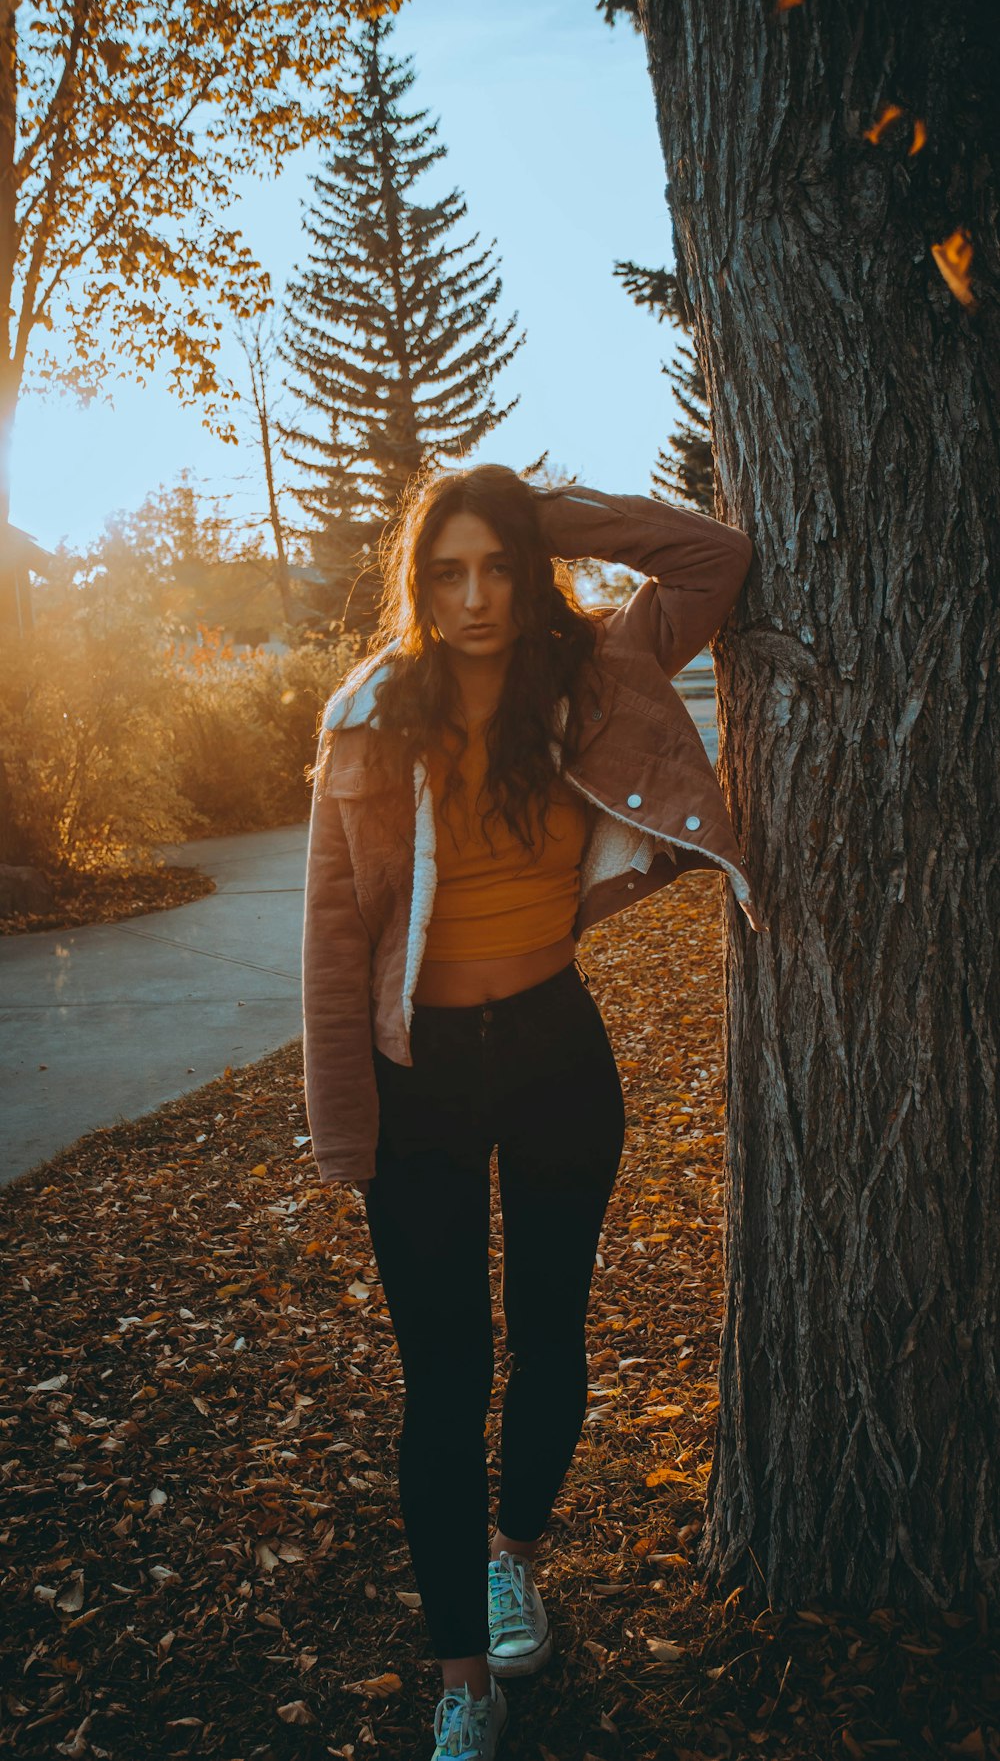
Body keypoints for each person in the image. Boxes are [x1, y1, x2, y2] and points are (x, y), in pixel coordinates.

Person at [301, 464, 760, 1759]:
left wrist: (538, 508)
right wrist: (346, 1118)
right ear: (416, 580)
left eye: (498, 563)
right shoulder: (372, 716)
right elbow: (337, 934)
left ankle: (514, 1557)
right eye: (446, 569)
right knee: (440, 1380)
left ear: (530, 563)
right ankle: (463, 1678)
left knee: (550, 1337)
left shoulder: (595, 672)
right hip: (420, 1073)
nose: (475, 594)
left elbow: (710, 559)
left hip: (558, 1049)